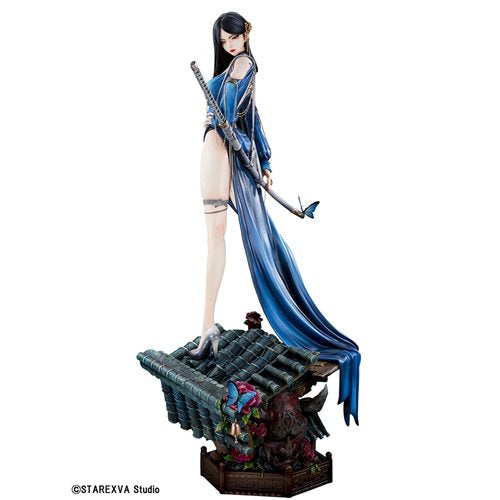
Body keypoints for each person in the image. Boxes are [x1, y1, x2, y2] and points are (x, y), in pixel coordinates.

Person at [188, 12, 361, 426]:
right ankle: (208, 325)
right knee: (218, 236)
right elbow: (242, 115)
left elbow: (244, 115)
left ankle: (209, 326)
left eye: (235, 37)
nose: (231, 45)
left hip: (223, 150)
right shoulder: (232, 68)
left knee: (234, 238)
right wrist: (254, 152)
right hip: (216, 149)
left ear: (247, 33)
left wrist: (260, 157)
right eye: (224, 41)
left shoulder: (245, 64)